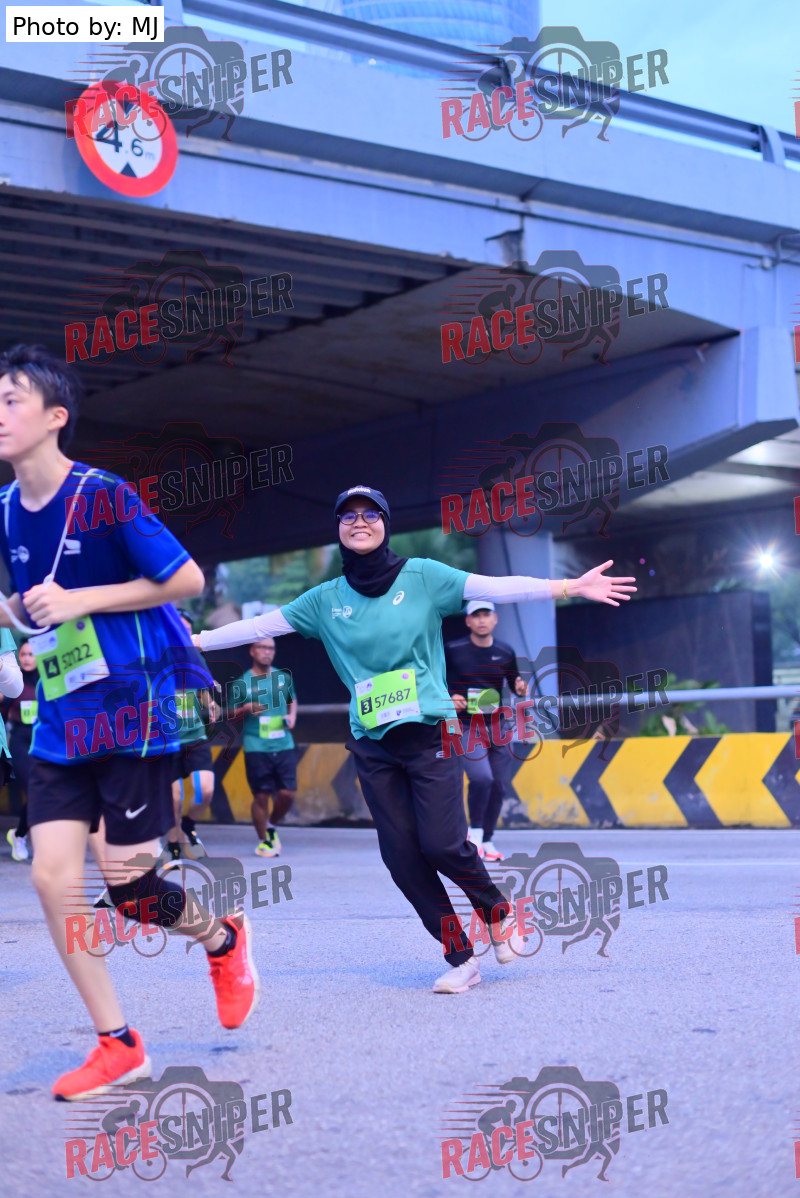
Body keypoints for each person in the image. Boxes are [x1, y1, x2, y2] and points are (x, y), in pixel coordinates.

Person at [196, 485, 635, 994]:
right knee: (401, 858)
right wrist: (195, 641)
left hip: (430, 734)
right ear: (338, 529)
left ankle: (497, 911)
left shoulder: (423, 576)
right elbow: (258, 625)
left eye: (371, 514)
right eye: (348, 516)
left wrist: (569, 586)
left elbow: (496, 585)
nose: (359, 522)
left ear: (386, 524)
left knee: (443, 845)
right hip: (373, 743)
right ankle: (461, 957)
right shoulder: (324, 601)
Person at [0, 344, 259, 1101]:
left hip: (130, 714)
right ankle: (117, 1042)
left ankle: (223, 937)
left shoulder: (103, 495)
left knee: (129, 887)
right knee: (51, 876)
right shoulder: (7, 510)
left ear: (56, 416)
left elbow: (186, 578)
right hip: (60, 717)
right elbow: (29, 607)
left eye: (11, 399)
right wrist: (18, 613)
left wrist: (79, 600)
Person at [445, 600, 526, 862]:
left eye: (486, 615)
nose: (482, 620)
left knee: (500, 785)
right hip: (465, 725)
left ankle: (487, 840)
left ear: (495, 619)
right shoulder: (453, 650)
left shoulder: (505, 651)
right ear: (468, 621)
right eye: (476, 615)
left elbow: (514, 683)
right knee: (481, 778)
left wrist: (520, 687)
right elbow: (434, 680)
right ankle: (475, 836)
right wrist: (450, 696)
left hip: (497, 725)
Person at [230, 637, 297, 857]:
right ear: (252, 651)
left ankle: (271, 824)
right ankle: (264, 841)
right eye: (262, 647)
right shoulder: (241, 683)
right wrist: (245, 708)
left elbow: (292, 700)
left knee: (287, 794)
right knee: (261, 795)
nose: (267, 652)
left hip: (284, 742)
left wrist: (292, 716)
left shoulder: (283, 677)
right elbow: (230, 714)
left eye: (271, 648)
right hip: (256, 745)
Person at [164, 608, 220, 861]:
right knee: (174, 798)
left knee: (205, 791)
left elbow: (203, 690)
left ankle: (189, 823)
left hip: (195, 736)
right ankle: (173, 845)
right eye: (180, 629)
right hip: (168, 741)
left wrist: (211, 704)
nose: (184, 635)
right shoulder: (156, 658)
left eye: (187, 630)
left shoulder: (195, 659)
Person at [4, 637, 35, 861]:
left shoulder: (48, 681)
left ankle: (19, 834)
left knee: (45, 792)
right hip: (20, 741)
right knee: (35, 791)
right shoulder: (13, 680)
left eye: (31, 654)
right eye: (23, 654)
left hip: (44, 743)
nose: (26, 658)